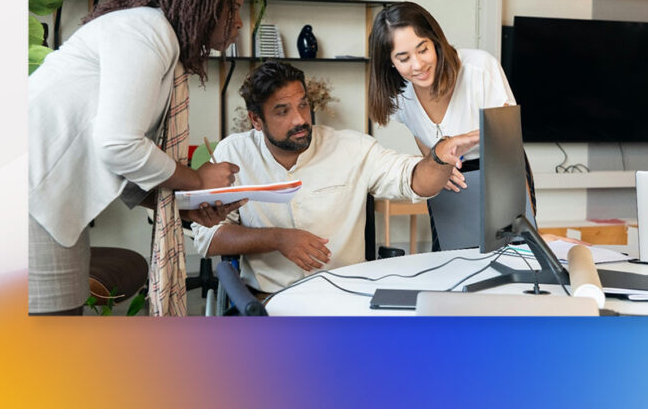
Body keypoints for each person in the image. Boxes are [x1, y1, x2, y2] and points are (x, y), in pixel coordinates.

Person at [28, 0, 247, 316]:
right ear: (208, 0)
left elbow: (118, 158)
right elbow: (118, 146)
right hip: (32, 199)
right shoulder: (147, 31)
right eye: (236, 8)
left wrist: (182, 208)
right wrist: (196, 180)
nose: (241, 23)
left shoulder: (149, 36)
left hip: (47, 200)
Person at [190, 61, 478, 293]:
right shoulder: (234, 153)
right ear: (256, 120)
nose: (300, 119)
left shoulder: (351, 147)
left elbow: (413, 179)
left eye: (303, 105)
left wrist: (439, 156)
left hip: (347, 296)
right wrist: (277, 238)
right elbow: (209, 238)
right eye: (282, 111)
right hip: (270, 300)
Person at [367, 1, 537, 250]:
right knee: (447, 256)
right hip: (448, 176)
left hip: (499, 167)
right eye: (403, 58)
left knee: (515, 249)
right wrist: (435, 164)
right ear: (390, 62)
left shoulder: (479, 68)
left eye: (423, 49)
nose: (417, 65)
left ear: (435, 40)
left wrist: (526, 220)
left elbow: (507, 141)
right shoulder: (399, 94)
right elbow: (420, 132)